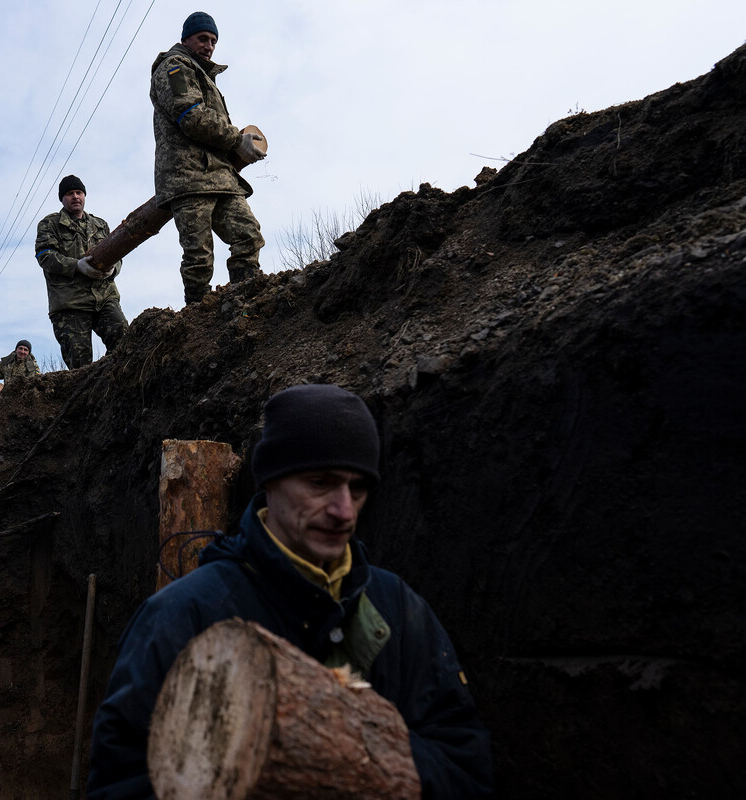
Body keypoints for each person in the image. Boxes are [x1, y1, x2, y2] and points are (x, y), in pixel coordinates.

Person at [87, 384, 494, 799]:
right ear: (271, 482)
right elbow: (120, 782)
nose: (344, 511)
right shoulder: (183, 617)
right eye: (320, 482)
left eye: (358, 488)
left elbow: (466, 763)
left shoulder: (400, 609)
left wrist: (369, 764)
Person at [150, 11, 267, 305]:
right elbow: (191, 117)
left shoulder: (203, 75)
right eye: (203, 38)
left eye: (213, 41)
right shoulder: (174, 68)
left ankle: (246, 303)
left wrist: (234, 148)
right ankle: (196, 321)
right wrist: (236, 139)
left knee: (248, 235)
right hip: (187, 178)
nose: (209, 46)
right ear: (186, 39)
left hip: (219, 175)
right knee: (199, 258)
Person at [35, 175, 128, 369]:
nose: (75, 197)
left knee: (125, 343)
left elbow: (117, 254)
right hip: (70, 304)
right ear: (62, 198)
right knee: (80, 367)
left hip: (104, 298)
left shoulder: (100, 224)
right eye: (70, 194)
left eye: (79, 192)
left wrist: (112, 269)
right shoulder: (50, 224)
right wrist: (76, 265)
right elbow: (45, 256)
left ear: (85, 195)